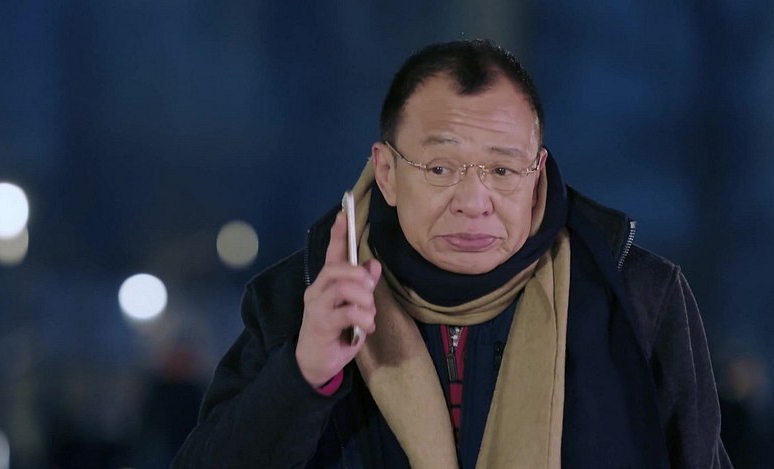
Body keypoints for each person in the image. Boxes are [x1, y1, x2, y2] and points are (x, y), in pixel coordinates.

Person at [173, 39, 731, 468]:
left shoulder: (636, 297)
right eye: (440, 168)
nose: (473, 201)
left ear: (537, 173)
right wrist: (302, 376)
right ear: (386, 173)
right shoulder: (300, 300)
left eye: (502, 170)